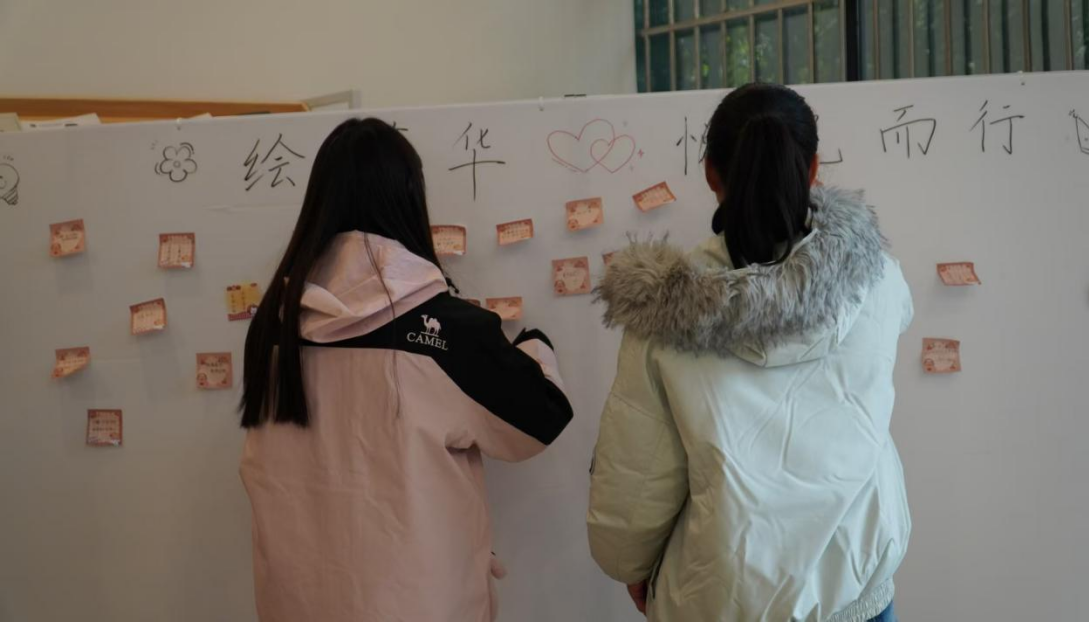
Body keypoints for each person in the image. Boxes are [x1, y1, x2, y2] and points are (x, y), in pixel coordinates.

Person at [588, 83, 913, 622]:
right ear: (812, 170)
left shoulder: (662, 316)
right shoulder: (875, 278)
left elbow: (638, 475)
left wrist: (630, 563)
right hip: (856, 593)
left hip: (725, 599)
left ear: (711, 174)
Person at [239, 119, 574, 622]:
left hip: (300, 602)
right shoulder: (447, 331)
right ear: (411, 199)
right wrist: (536, 346)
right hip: (421, 603)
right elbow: (539, 420)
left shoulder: (275, 327)